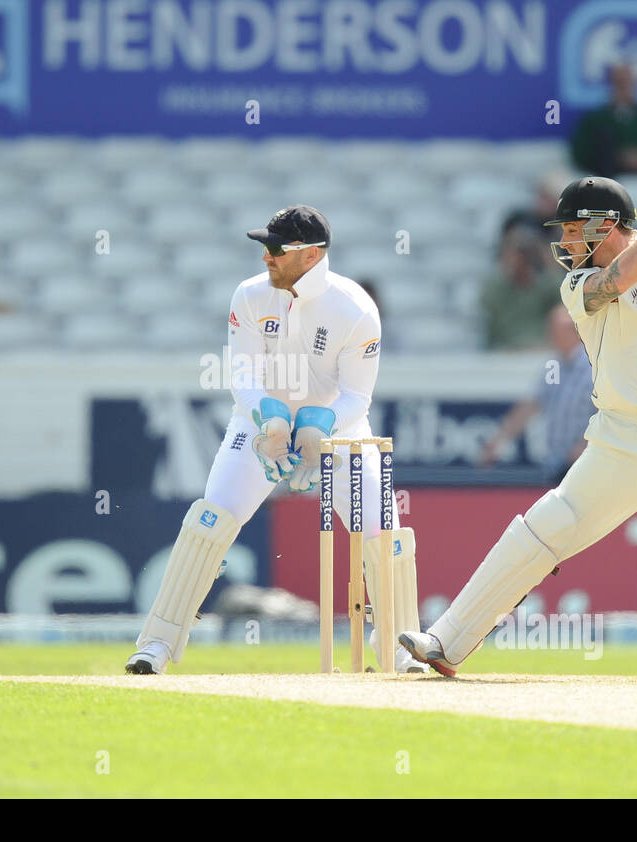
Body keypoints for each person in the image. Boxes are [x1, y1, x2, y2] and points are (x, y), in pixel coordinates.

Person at [400, 175, 637, 681]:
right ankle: (445, 641)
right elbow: (620, 280)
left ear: (604, 225)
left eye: (569, 230)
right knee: (542, 528)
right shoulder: (578, 284)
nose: (561, 243)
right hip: (621, 440)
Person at [126, 205, 426, 674]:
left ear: (309, 255)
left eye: (275, 249)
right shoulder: (249, 296)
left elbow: (357, 396)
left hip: (340, 433)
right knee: (210, 519)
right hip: (259, 425)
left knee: (383, 535)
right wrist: (269, 419)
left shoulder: (355, 308)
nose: (265, 257)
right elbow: (243, 374)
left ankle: (401, 650)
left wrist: (318, 425)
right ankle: (156, 645)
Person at [479, 304, 595, 482]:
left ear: (574, 331)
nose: (551, 335)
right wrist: (498, 441)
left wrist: (587, 447)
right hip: (557, 462)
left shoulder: (592, 366)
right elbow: (534, 403)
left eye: (556, 330)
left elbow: (605, 413)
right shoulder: (555, 365)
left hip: (586, 462)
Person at [569, 63, 637, 178]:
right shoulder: (594, 120)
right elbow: (579, 155)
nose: (624, 88)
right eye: (619, 83)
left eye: (628, 83)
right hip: (606, 181)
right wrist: (618, 158)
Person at [480, 222, 558, 350]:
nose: (511, 261)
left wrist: (546, 257)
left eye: (518, 256)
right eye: (506, 255)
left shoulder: (546, 287)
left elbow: (563, 294)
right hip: (503, 352)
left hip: (541, 349)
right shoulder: (496, 289)